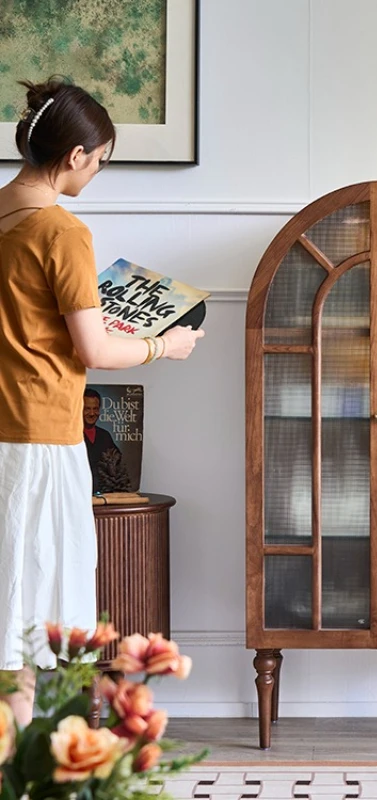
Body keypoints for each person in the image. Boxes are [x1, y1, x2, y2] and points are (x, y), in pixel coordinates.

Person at [0, 78, 204, 725]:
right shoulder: (62, 231)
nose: (96, 173)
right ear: (74, 156)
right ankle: (16, 763)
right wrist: (163, 346)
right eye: (100, 161)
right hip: (38, 438)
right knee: (27, 618)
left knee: (6, 606)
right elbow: (92, 348)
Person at [82, 387, 126, 493]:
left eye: (95, 409)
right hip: (78, 493)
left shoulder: (104, 436)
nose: (92, 413)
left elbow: (117, 465)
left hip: (104, 495)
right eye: (87, 408)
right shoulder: (71, 437)